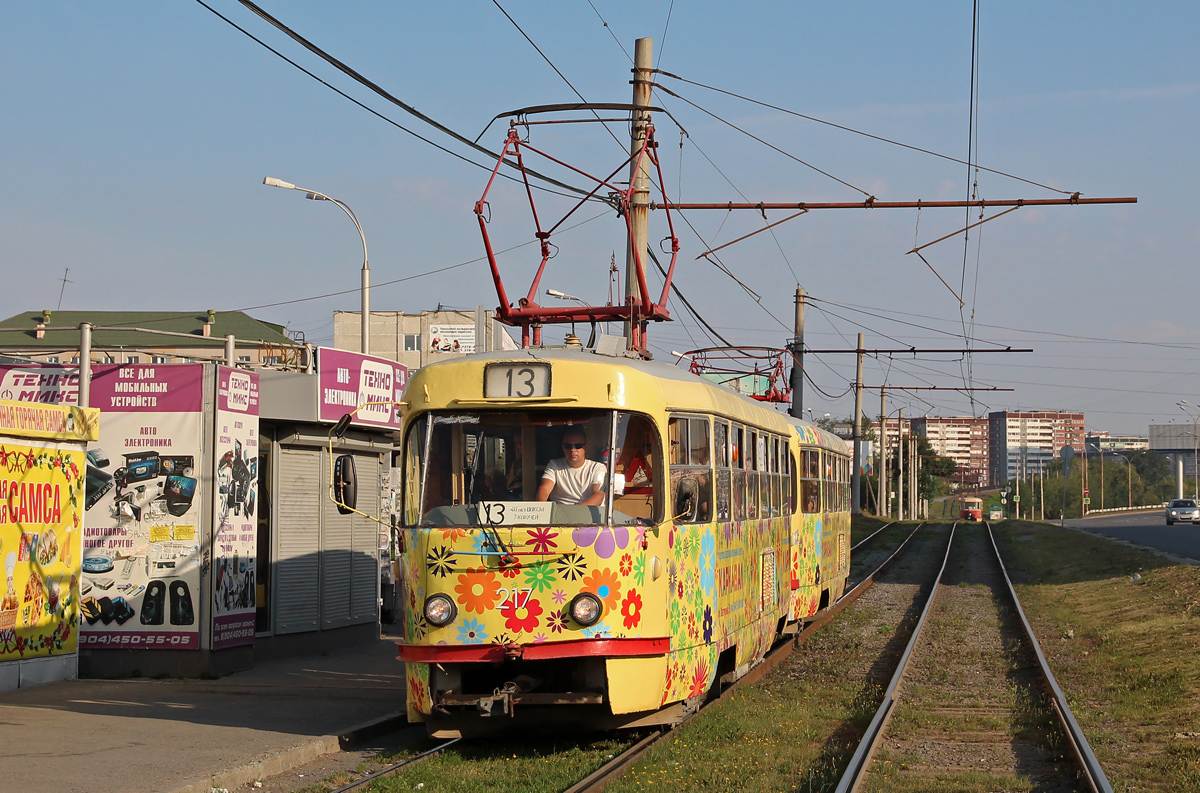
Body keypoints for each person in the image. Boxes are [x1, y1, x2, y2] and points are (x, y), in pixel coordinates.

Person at [536, 427, 606, 506]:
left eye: (578, 446)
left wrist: (577, 510)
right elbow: (544, 488)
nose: (572, 450)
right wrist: (541, 509)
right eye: (568, 446)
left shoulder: (598, 468)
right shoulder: (554, 465)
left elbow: (598, 495)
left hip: (588, 514)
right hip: (560, 515)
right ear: (563, 447)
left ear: (585, 447)